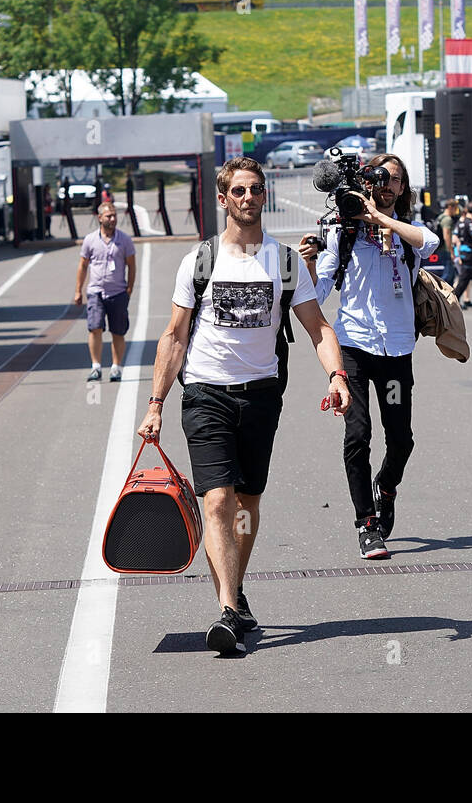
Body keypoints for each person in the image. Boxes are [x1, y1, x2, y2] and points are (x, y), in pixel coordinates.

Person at [138, 157, 349, 656]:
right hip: (205, 393)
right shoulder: (201, 261)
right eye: (239, 191)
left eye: (256, 190)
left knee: (248, 505)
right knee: (217, 501)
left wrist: (337, 376)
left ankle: (236, 589)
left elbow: (317, 327)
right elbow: (174, 335)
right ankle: (229, 609)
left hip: (261, 396)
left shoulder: (286, 262)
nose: (249, 198)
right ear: (223, 198)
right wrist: (155, 404)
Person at [300, 153, 439, 559]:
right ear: (366, 183)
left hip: (396, 350)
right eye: (380, 177)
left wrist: (382, 221)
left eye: (395, 179)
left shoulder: (407, 234)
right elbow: (319, 291)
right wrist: (310, 263)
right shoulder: (343, 234)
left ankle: (388, 486)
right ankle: (366, 524)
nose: (388, 184)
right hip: (355, 348)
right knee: (358, 435)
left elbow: (429, 243)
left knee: (401, 439)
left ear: (402, 188)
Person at [73, 202, 137, 382]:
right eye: (109, 216)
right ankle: (96, 366)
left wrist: (129, 289)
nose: (113, 219)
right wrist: (78, 290)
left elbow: (131, 266)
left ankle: (116, 367)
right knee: (95, 328)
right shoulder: (90, 240)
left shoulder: (124, 240)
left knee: (118, 331)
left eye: (114, 215)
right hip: (96, 292)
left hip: (118, 292)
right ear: (99, 218)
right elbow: (83, 266)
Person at [437, 197, 460, 291]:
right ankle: (440, 293)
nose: (456, 211)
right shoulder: (447, 219)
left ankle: (448, 298)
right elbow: (446, 235)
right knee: (448, 275)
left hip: (442, 249)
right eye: (455, 208)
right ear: (450, 207)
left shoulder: (440, 217)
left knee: (451, 276)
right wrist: (451, 251)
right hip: (446, 250)